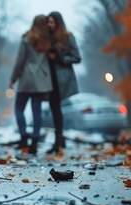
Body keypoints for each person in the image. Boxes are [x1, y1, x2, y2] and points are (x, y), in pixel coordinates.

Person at [9, 15, 53, 155]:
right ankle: (34, 143)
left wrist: (13, 79)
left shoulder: (27, 38)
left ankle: (23, 137)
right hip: (41, 80)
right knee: (37, 111)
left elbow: (19, 60)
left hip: (27, 79)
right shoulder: (48, 41)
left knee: (18, 108)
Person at [45, 11, 81, 154]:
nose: (49, 25)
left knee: (57, 108)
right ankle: (59, 138)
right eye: (48, 22)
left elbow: (77, 57)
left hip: (62, 78)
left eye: (52, 22)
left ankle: (58, 139)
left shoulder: (67, 36)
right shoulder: (46, 38)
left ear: (58, 23)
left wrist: (61, 58)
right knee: (53, 108)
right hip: (49, 77)